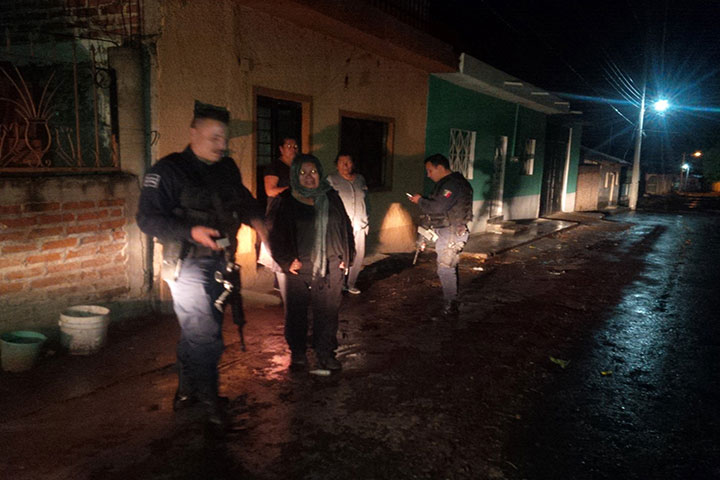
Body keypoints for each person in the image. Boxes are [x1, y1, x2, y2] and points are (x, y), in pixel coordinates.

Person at [136, 101, 266, 425]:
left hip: (222, 262)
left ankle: (186, 390)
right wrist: (189, 231)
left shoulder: (227, 168)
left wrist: (260, 224)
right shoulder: (168, 170)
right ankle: (209, 402)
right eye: (214, 138)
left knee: (198, 332)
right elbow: (146, 219)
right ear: (193, 133)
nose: (222, 145)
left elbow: (245, 202)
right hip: (187, 265)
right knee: (205, 334)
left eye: (225, 138)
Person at [268, 154, 355, 371]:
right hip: (299, 268)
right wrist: (286, 261)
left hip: (331, 264)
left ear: (320, 173)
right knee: (297, 313)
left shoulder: (331, 197)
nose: (309, 177)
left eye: (313, 172)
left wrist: (347, 256)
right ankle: (298, 353)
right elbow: (274, 235)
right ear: (295, 175)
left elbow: (346, 227)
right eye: (303, 173)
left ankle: (325, 353)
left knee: (328, 313)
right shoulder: (286, 201)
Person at [408, 154, 473, 316]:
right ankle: (451, 301)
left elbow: (438, 207)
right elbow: (437, 208)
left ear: (441, 167)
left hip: (451, 232)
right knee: (449, 266)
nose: (428, 175)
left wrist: (420, 201)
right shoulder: (448, 183)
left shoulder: (453, 184)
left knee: (445, 268)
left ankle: (450, 306)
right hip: (448, 230)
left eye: (430, 170)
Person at [327, 152, 369, 294]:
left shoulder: (360, 179)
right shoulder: (331, 180)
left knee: (358, 255)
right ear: (337, 165)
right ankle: (338, 283)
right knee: (341, 254)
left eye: (349, 162)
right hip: (341, 226)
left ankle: (351, 283)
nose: (346, 165)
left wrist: (367, 218)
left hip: (360, 223)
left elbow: (366, 200)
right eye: (342, 162)